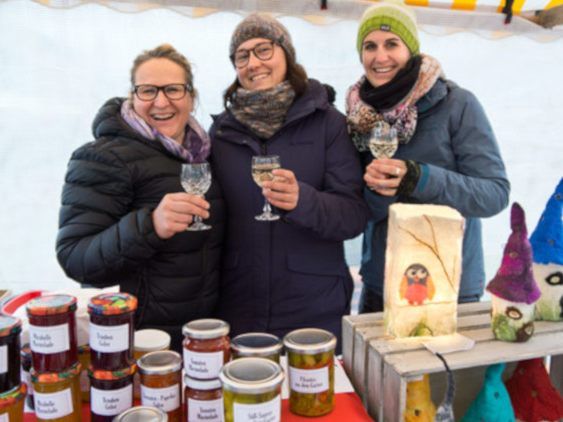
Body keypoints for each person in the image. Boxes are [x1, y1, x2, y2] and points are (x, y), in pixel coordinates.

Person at [209, 14, 369, 346]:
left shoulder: (328, 124)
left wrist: (303, 201)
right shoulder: (222, 132)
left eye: (263, 49)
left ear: (287, 54)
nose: (253, 63)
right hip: (241, 310)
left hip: (315, 308)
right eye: (242, 55)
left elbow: (353, 216)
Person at [56, 44, 224, 350]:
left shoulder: (204, 155)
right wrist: (150, 225)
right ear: (133, 97)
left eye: (173, 89)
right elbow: (75, 257)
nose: (161, 101)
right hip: (138, 341)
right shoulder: (102, 158)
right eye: (147, 91)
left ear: (191, 97)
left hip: (200, 337)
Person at [346, 1, 510, 313]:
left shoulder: (457, 104)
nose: (380, 57)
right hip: (383, 284)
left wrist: (418, 178)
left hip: (448, 283)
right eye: (370, 46)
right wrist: (376, 190)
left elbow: (494, 194)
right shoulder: (359, 115)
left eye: (391, 44)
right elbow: (363, 212)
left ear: (411, 49)